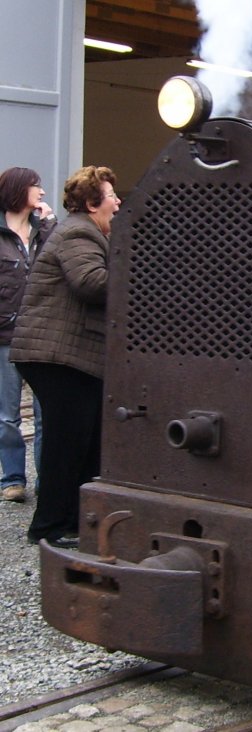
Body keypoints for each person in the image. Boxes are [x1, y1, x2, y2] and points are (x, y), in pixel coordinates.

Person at [11, 166, 120, 548]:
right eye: (111, 196)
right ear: (92, 203)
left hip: (70, 354)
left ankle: (75, 520)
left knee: (86, 439)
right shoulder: (77, 231)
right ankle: (48, 528)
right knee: (67, 442)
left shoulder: (87, 232)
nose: (118, 202)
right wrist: (141, 272)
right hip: (57, 355)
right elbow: (91, 282)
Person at [0, 168, 55, 503]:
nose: (43, 193)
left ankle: (45, 480)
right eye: (38, 187)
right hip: (4, 336)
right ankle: (12, 479)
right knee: (7, 415)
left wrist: (48, 223)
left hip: (41, 334)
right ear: (21, 190)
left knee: (44, 412)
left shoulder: (44, 230)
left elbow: (58, 261)